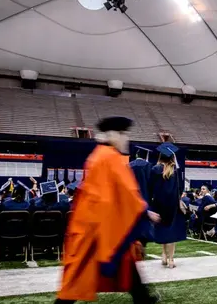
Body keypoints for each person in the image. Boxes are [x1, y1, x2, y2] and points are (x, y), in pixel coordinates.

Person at [55, 116, 161, 304]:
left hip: (95, 224)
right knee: (79, 276)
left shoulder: (98, 155)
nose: (126, 139)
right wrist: (144, 211)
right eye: (124, 134)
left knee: (125, 264)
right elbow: (127, 192)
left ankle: (143, 297)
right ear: (115, 135)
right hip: (98, 230)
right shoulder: (110, 157)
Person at [150, 142, 185, 269]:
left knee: (163, 230)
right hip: (172, 205)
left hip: (159, 204)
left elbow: (151, 187)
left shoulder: (155, 169)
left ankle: (163, 255)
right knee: (172, 232)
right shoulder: (175, 170)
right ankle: (171, 259)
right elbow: (180, 188)